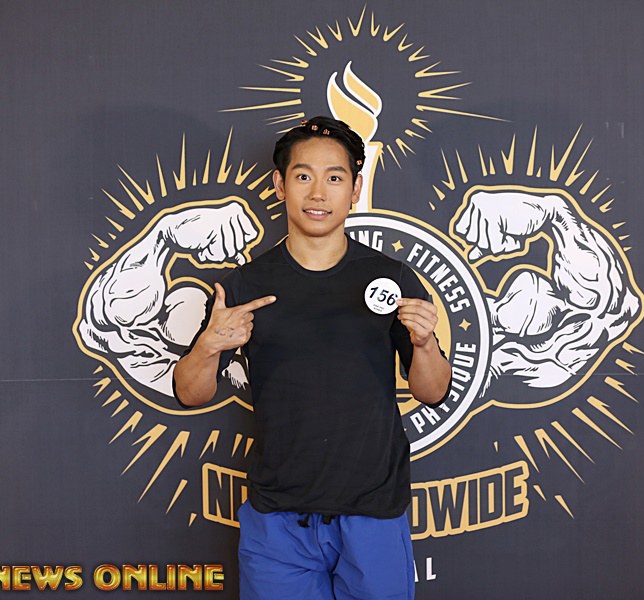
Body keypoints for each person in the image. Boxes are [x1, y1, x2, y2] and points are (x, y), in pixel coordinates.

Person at [173, 116, 452, 600]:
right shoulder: (245, 285)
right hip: (278, 517)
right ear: (280, 185)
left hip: (373, 512)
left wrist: (425, 344)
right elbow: (189, 393)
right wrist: (209, 346)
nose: (318, 193)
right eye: (303, 176)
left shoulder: (391, 277)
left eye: (335, 178)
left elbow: (433, 391)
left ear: (355, 189)